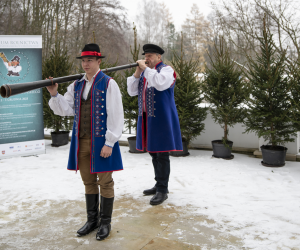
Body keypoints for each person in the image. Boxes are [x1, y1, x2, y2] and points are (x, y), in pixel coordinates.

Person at [46, 43, 124, 241]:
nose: (85, 64)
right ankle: (92, 220)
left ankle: (105, 222)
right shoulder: (77, 84)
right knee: (88, 182)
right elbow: (65, 109)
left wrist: (110, 142)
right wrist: (54, 93)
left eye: (90, 60)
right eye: (83, 60)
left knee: (105, 182)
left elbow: (116, 115)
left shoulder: (108, 83)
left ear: (99, 61)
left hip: (101, 143)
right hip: (81, 142)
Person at [127, 44, 182, 205]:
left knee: (162, 154)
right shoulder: (145, 73)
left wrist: (145, 69)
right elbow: (131, 91)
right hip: (147, 118)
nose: (147, 58)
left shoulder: (166, 70)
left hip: (162, 118)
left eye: (150, 56)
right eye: (146, 55)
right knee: (153, 153)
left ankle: (163, 190)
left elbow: (159, 83)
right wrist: (137, 73)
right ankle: (159, 184)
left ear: (159, 57)